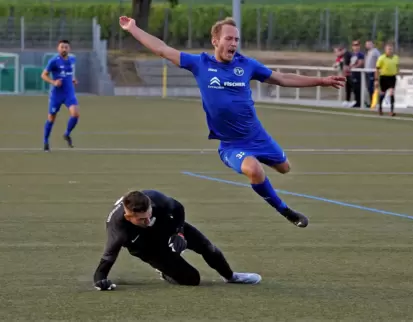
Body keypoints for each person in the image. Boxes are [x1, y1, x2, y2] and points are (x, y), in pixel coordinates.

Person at [119, 16, 346, 228]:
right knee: (254, 170)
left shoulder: (246, 65)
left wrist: (321, 81)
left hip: (258, 136)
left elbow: (282, 78)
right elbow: (162, 49)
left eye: (236, 39)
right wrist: (133, 28)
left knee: (285, 169)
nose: (233, 43)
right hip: (231, 145)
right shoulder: (200, 63)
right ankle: (285, 210)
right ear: (215, 40)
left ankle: (261, 161)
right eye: (229, 38)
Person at [93, 189, 261, 290]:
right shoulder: (118, 229)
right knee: (192, 280)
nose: (147, 220)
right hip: (145, 246)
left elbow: (178, 208)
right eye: (141, 220)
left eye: (148, 215)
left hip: (167, 226)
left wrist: (179, 232)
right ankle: (164, 272)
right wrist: (101, 281)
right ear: (128, 216)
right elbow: (107, 259)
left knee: (208, 247)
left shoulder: (155, 199)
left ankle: (231, 277)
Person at [41, 40, 79, 152]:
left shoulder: (72, 59)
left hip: (69, 93)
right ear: (58, 49)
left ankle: (67, 134)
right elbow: (43, 75)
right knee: (51, 118)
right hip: (57, 95)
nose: (64, 49)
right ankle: (46, 142)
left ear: (69, 49)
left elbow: (69, 73)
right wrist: (53, 82)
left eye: (66, 47)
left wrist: (72, 79)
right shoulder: (54, 61)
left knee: (75, 114)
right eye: (62, 47)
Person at [375, 42, 399, 116]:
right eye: (388, 49)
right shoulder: (381, 58)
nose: (390, 50)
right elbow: (377, 69)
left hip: (392, 77)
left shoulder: (396, 57)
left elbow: (397, 66)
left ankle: (391, 110)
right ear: (385, 50)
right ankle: (380, 108)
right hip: (384, 77)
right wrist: (376, 80)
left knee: (392, 92)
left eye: (391, 49)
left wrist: (398, 72)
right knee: (383, 93)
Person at [348, 40, 365, 108]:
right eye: (354, 45)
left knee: (358, 88)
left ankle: (359, 102)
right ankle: (356, 101)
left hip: (358, 74)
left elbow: (361, 63)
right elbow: (351, 63)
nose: (356, 47)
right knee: (354, 89)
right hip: (353, 74)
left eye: (357, 45)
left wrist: (354, 67)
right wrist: (349, 67)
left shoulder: (360, 54)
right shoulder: (353, 54)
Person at [364, 40, 380, 104]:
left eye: (369, 44)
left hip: (372, 72)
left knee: (371, 88)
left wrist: (377, 69)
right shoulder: (368, 52)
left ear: (373, 44)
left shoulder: (375, 51)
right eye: (367, 44)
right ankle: (370, 102)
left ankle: (373, 102)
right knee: (368, 88)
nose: (368, 45)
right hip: (366, 72)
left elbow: (379, 60)